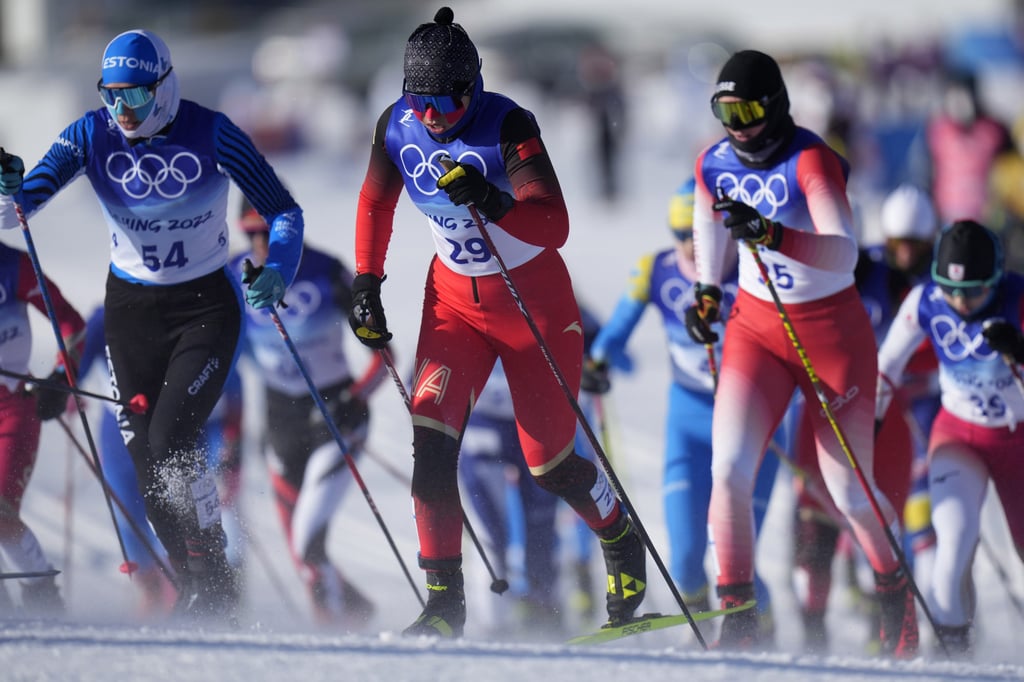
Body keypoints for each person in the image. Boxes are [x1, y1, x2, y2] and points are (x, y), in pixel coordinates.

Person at [349, 7, 646, 638]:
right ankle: (443, 607)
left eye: (445, 105)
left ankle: (618, 534)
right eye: (418, 101)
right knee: (430, 452)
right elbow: (376, 200)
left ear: (472, 88)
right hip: (454, 306)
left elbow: (553, 224)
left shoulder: (509, 123)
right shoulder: (398, 125)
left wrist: (492, 199)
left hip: (533, 306)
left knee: (550, 465)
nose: (430, 117)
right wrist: (366, 282)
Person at [0, 29, 304, 621]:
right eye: (112, 96)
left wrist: (279, 270)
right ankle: (192, 583)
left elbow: (282, 209)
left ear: (163, 87)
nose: (123, 111)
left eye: (135, 97)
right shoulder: (91, 133)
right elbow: (19, 209)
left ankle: (212, 567)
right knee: (145, 461)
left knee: (172, 440)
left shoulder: (212, 131)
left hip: (204, 309)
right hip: (131, 312)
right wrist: (9, 183)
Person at [684, 49, 918, 656]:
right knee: (728, 469)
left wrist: (771, 235)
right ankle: (738, 612)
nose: (739, 125)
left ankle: (895, 593)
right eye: (726, 110)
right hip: (756, 330)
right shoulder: (713, 162)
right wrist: (708, 292)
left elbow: (843, 254)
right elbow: (708, 223)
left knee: (846, 494)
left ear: (778, 105)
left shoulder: (810, 159)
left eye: (751, 109)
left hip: (830, 333)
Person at [582, 178, 781, 640]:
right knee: (687, 558)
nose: (690, 247)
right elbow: (618, 327)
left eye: (699, 235)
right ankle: (702, 638)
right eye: (680, 235)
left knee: (733, 554)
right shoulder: (657, 270)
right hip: (688, 424)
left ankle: (760, 631)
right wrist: (598, 361)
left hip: (754, 429)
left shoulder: (752, 270)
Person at [877, 219, 1024, 658]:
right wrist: (872, 420)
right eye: (952, 289)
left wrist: (1019, 353)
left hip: (1017, 444)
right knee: (952, 546)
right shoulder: (926, 300)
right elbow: (886, 366)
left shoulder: (1018, 299)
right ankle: (952, 658)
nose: (961, 301)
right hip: (958, 436)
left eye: (975, 291)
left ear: (995, 279)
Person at [230, 201, 379, 628]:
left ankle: (334, 643)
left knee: (308, 544)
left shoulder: (326, 270)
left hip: (337, 420)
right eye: (250, 233)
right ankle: (352, 613)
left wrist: (355, 398)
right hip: (281, 425)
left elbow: (384, 354)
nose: (259, 244)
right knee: (302, 557)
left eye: (269, 233)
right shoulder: (232, 272)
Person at [0, 242, 84, 615]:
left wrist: (61, 375)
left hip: (13, 406)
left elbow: (70, 323)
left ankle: (42, 596)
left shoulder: (13, 265)